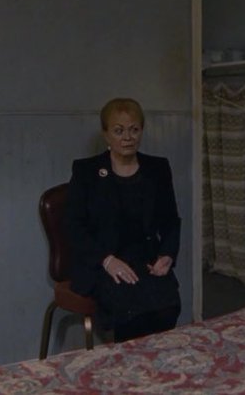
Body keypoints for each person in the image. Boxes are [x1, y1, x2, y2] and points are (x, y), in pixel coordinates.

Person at [65, 97, 181, 343]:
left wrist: (167, 254)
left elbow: (171, 220)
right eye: (119, 131)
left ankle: (158, 362)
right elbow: (74, 227)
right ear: (106, 134)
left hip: (145, 260)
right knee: (132, 313)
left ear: (141, 131)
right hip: (103, 262)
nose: (127, 137)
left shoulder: (157, 168)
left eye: (134, 129)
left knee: (168, 307)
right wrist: (107, 261)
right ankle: (131, 364)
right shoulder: (86, 172)